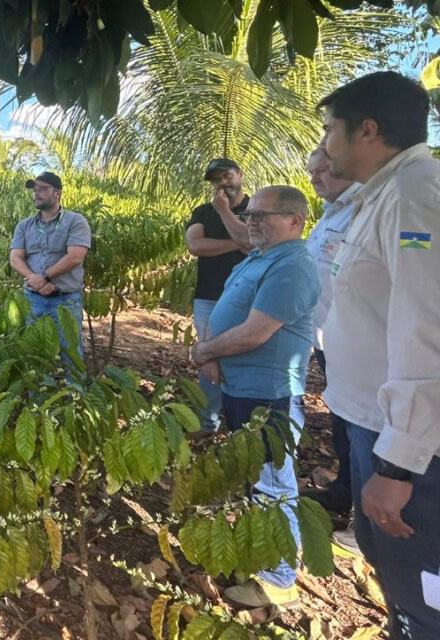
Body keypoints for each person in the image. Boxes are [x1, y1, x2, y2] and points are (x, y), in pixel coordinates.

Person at [319, 71, 440, 639]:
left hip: (408, 446)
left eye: (328, 131)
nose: (323, 145)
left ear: (367, 130)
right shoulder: (380, 195)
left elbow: (429, 329)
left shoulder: (417, 193)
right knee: (392, 573)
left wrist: (399, 463)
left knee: (423, 588)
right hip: (371, 422)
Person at [190, 185, 320, 609]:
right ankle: (258, 556)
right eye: (251, 216)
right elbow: (226, 308)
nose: (253, 221)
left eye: (264, 215)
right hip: (240, 388)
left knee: (271, 485)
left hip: (271, 397)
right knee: (253, 479)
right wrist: (209, 354)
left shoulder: (293, 266)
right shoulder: (260, 258)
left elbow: (255, 332)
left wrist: (205, 350)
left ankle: (279, 580)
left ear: (296, 221)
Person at [301, 148, 363, 553]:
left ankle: (366, 528)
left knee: (364, 429)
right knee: (343, 425)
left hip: (359, 344)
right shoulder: (328, 213)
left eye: (322, 169)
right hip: (327, 341)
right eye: (311, 172)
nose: (315, 178)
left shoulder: (364, 207)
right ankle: (345, 493)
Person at [184, 158, 250, 430]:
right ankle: (207, 422)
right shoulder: (202, 212)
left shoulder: (257, 209)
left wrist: (224, 212)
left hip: (248, 298)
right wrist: (238, 242)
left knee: (244, 355)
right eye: (216, 179)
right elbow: (195, 245)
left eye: (227, 176)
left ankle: (242, 422)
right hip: (209, 296)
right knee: (208, 356)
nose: (222, 183)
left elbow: (252, 242)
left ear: (240, 175)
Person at [9, 171, 91, 365]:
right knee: (34, 352)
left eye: (43, 189)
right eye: (35, 189)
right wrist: (36, 281)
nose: (37, 193)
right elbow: (15, 258)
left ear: (58, 192)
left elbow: (75, 257)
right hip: (33, 299)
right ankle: (38, 394)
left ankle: (75, 394)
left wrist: (43, 276)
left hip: (66, 299)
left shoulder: (75, 221)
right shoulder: (25, 225)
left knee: (71, 351)